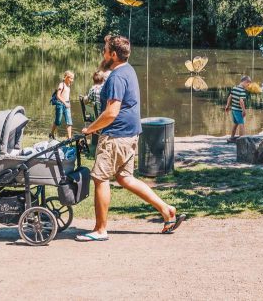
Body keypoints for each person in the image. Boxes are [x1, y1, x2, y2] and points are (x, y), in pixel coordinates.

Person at [78, 35, 184, 241]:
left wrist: (90, 129)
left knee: (100, 178)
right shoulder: (129, 70)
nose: (103, 52)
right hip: (130, 134)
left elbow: (111, 112)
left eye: (105, 49)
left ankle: (100, 230)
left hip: (116, 136)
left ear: (113, 55)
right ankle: (166, 210)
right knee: (125, 178)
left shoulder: (116, 77)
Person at [224, 75, 251, 143]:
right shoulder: (242, 91)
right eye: (248, 84)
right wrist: (244, 110)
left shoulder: (234, 88)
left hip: (233, 110)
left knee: (235, 124)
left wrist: (227, 106)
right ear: (245, 82)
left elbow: (230, 97)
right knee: (241, 125)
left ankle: (232, 138)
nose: (248, 85)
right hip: (238, 110)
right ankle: (242, 140)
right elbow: (241, 101)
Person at [49, 70, 75, 140]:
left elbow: (67, 95)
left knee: (69, 121)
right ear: (67, 77)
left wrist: (68, 102)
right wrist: (65, 103)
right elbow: (58, 96)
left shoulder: (69, 85)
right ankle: (51, 133)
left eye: (73, 78)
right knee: (58, 121)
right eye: (71, 78)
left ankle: (69, 138)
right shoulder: (61, 84)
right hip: (60, 104)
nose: (72, 80)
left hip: (67, 104)